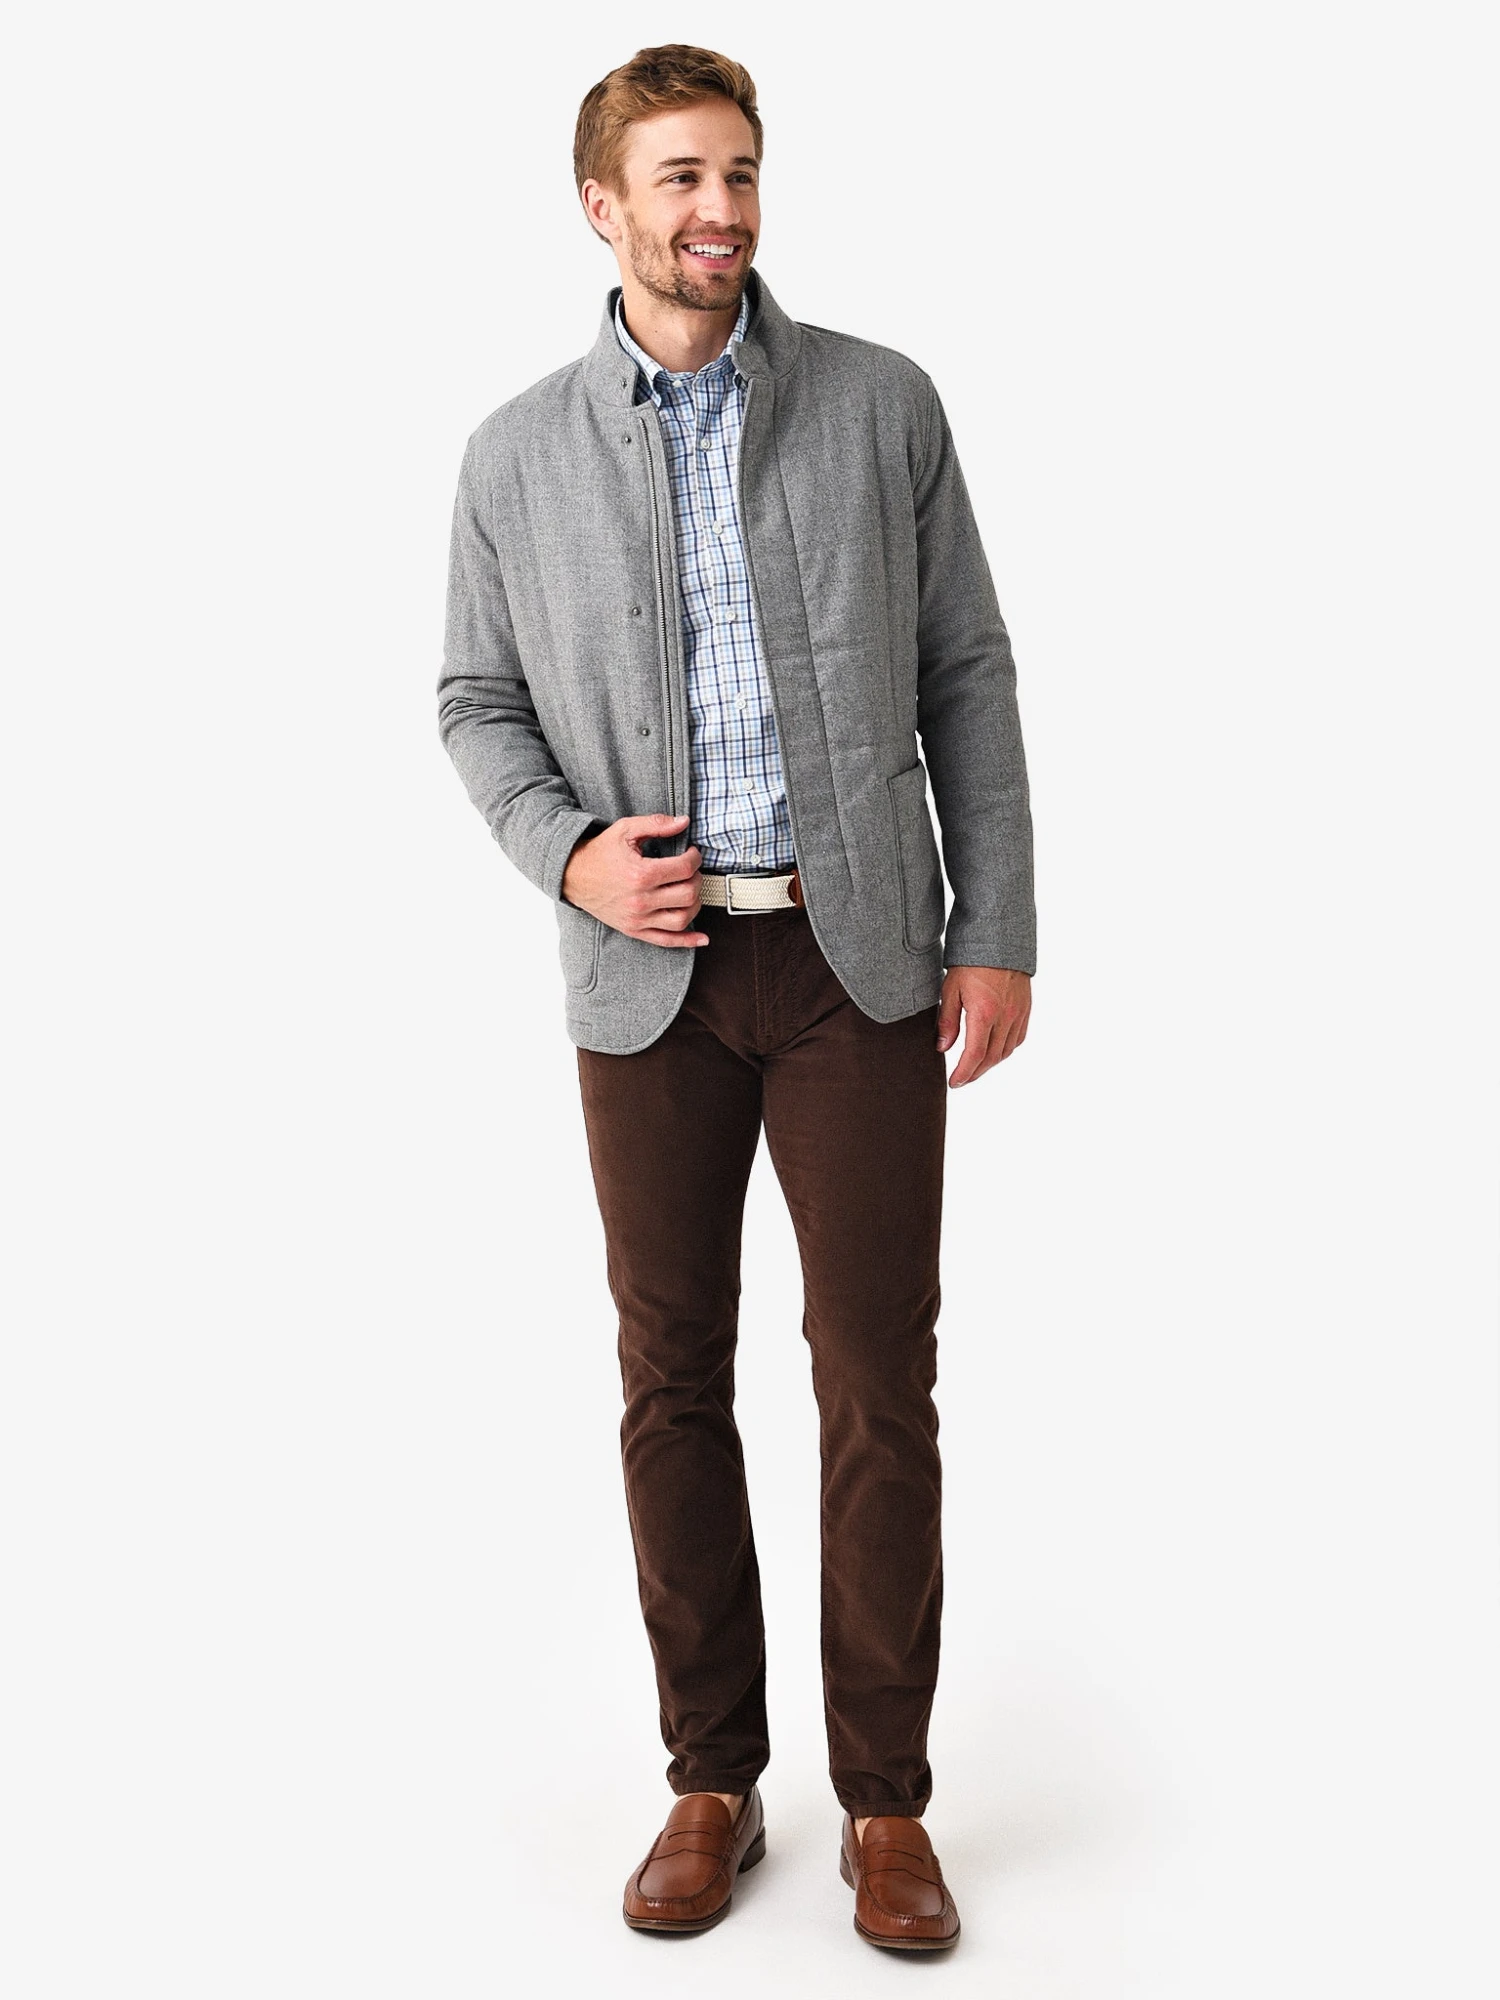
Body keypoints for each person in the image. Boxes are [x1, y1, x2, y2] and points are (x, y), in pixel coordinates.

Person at [438, 42, 1035, 1953]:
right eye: (681, 178)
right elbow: (474, 701)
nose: (721, 210)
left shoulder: (880, 403)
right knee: (669, 1374)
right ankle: (712, 1777)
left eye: (742, 173)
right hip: (650, 980)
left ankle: (887, 1804)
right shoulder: (515, 454)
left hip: (860, 962)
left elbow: (967, 667)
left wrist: (999, 923)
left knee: (876, 1377)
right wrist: (569, 855)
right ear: (602, 207)